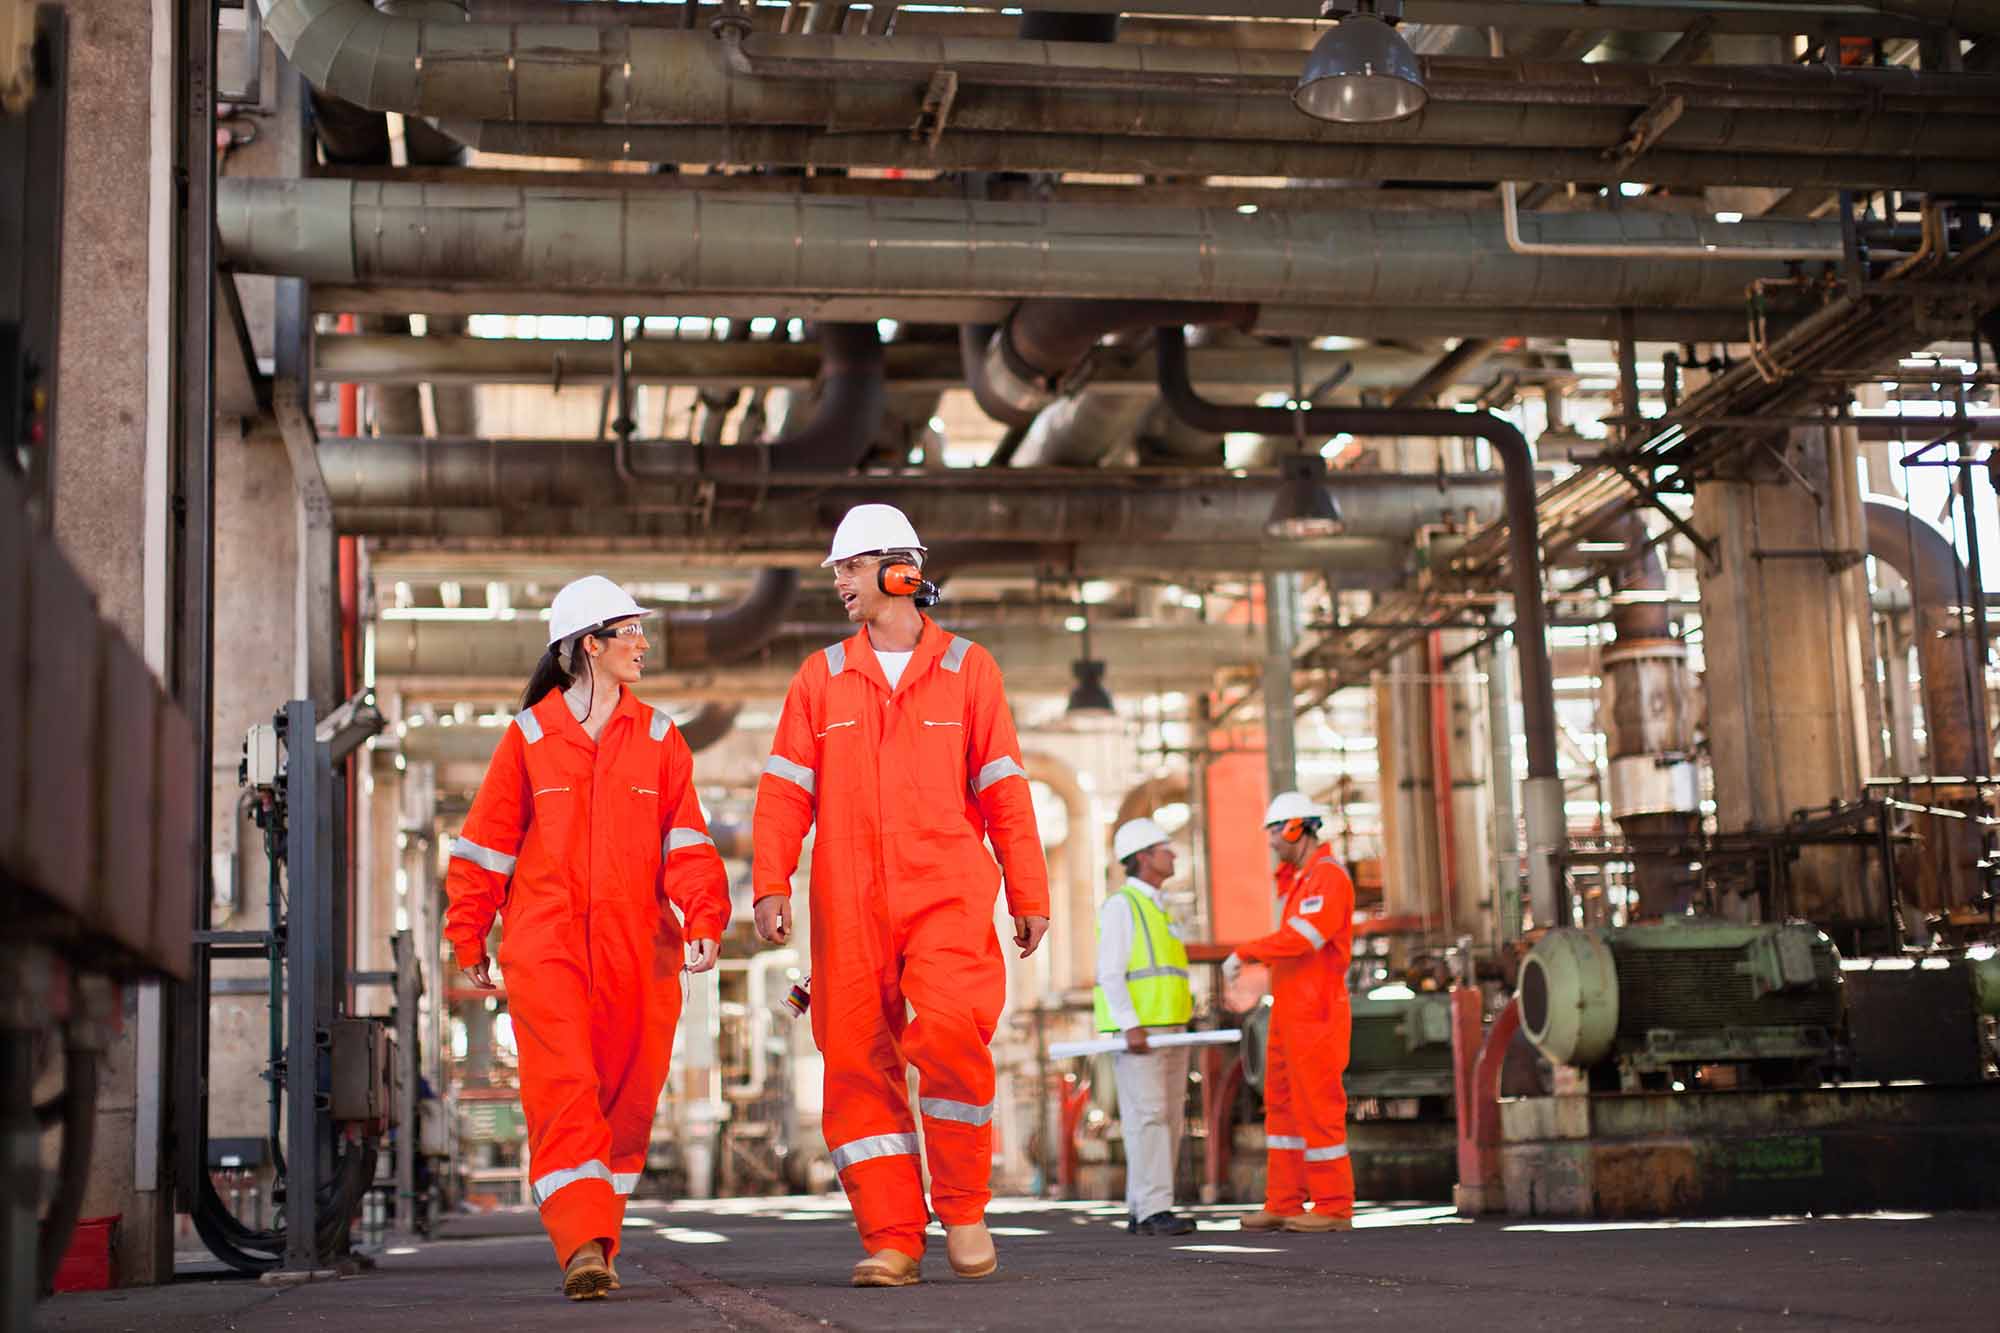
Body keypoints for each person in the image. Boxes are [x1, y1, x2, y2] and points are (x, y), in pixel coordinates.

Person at [752, 503, 1050, 1289]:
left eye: (850, 568)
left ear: (899, 571)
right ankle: (892, 1235)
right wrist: (770, 881)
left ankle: (962, 1203)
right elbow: (784, 791)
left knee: (952, 1031)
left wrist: (1028, 885)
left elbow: (1006, 790)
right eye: (839, 571)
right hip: (847, 903)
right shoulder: (821, 677)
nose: (840, 583)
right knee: (854, 1060)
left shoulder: (968, 669)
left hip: (945, 890)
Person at [444, 575, 730, 1300]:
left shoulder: (663, 740)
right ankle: (582, 1243)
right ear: (586, 647)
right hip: (548, 946)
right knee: (564, 1088)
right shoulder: (530, 739)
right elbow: (485, 848)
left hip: (641, 951)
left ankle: (601, 1230)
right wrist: (469, 931)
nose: (641, 642)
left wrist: (703, 916)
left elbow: (688, 844)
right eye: (627, 631)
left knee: (628, 1100)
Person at [1224, 791, 1357, 1234]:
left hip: (1317, 1011)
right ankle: (1284, 1201)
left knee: (1317, 1105)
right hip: (1290, 1010)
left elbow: (1304, 939)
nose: (1272, 844)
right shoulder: (1304, 880)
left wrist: (1247, 951)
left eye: (1276, 834)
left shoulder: (1327, 877)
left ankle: (1334, 1206)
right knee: (1281, 1107)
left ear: (1297, 827)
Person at [1094, 817, 1196, 1237]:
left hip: (1172, 1028)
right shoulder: (1123, 905)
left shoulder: (1160, 907)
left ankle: (1146, 1206)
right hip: (1143, 1034)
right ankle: (1153, 1208)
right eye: (1163, 848)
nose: (1172, 854)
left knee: (1166, 1118)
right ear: (1142, 858)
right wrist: (1131, 1025)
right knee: (1149, 1117)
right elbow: (1110, 973)